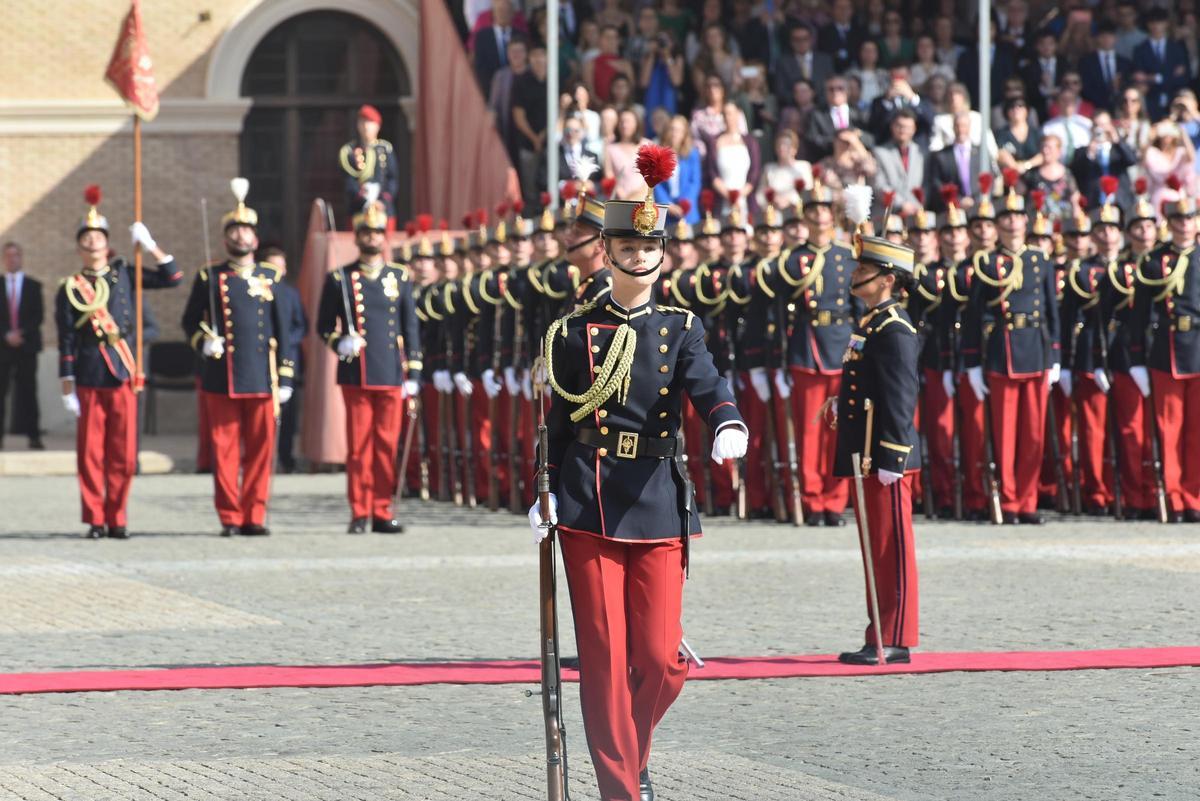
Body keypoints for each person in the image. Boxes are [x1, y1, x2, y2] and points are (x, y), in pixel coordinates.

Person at [529, 143, 748, 801]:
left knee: (658, 660)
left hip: (656, 497)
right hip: (588, 502)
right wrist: (541, 489)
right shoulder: (572, 332)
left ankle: (633, 748)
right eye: (628, 246)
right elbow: (557, 422)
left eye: (650, 248)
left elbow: (707, 383)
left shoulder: (681, 327)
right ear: (610, 250)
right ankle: (622, 789)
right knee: (603, 660)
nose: (640, 257)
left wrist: (727, 421)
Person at [57, 185, 182, 538]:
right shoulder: (70, 286)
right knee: (91, 454)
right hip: (88, 374)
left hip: (125, 371)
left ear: (107, 242)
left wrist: (150, 245)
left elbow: (173, 278)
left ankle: (118, 516)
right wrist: (67, 384)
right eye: (87, 237)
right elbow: (66, 337)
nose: (93, 242)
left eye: (98, 236)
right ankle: (95, 518)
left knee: (124, 454)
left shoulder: (125, 272)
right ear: (80, 245)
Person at [181, 179, 297, 537]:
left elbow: (284, 331)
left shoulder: (270, 277)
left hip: (263, 376)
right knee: (225, 451)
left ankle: (255, 514)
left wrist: (287, 377)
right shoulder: (209, 277)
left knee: (261, 454)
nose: (241, 236)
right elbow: (190, 321)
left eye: (246, 230)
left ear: (256, 239)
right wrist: (204, 341)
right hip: (223, 375)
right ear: (226, 238)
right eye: (235, 230)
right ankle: (230, 516)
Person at [832, 216, 921, 665]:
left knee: (892, 551)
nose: (853, 275)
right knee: (876, 550)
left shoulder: (894, 329)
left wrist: (893, 455)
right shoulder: (872, 323)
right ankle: (879, 633)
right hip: (867, 452)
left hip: (884, 454)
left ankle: (897, 636)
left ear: (887, 279)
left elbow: (901, 398)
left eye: (862, 269)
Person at [962, 176, 1061, 524]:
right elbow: (975, 316)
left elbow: (1051, 310)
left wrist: (1056, 355)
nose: (1012, 222)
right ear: (998, 224)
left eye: (1018, 216)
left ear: (1026, 220)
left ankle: (1028, 501)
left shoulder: (1039, 260)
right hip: (1001, 353)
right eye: (1005, 217)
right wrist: (972, 361)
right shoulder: (986, 263)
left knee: (1034, 434)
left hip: (1035, 348)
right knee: (1004, 435)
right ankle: (1008, 499)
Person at [317, 202, 421, 532]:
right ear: (358, 237)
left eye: (377, 232)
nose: (372, 238)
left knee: (386, 446)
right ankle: (359, 511)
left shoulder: (399, 277)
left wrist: (414, 373)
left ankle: (381, 509)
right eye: (366, 232)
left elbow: (410, 327)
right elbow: (322, 325)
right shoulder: (339, 278)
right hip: (357, 373)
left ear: (384, 237)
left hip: (390, 371)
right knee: (360, 448)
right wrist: (340, 343)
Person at [763, 174, 858, 525]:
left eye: (824, 210)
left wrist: (858, 350)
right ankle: (813, 499)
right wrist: (778, 360)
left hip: (842, 345)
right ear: (805, 218)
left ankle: (835, 500)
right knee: (808, 432)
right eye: (813, 211)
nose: (820, 217)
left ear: (833, 216)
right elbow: (777, 311)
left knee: (839, 430)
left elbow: (859, 310)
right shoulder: (792, 261)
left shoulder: (847, 256)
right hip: (807, 349)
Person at [1129, 196, 1200, 522]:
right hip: (1167, 350)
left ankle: (1194, 496)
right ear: (1169, 223)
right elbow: (1140, 315)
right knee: (1169, 430)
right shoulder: (1154, 261)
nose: (1185, 224)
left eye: (1190, 218)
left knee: (1196, 432)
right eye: (1179, 219)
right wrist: (1137, 359)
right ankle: (1173, 497)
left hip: (1198, 346)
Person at [259, 244, 308, 474]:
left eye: (281, 266)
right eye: (273, 266)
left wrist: (287, 341)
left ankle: (286, 457)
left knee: (287, 414)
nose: (278, 270)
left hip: (288, 360)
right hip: (262, 358)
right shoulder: (257, 290)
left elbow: (302, 325)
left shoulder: (291, 293)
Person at [1, 242, 43, 450]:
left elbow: (38, 316)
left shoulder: (33, 286)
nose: (12, 259)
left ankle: (34, 436)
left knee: (28, 392)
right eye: (8, 256)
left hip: (27, 347)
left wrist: (20, 333)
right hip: (3, 348)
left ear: (21, 257)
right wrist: (6, 334)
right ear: (3, 259)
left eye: (16, 255)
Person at [338, 105, 400, 228]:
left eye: (370, 123)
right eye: (363, 122)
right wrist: (365, 202)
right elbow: (349, 180)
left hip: (383, 211)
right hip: (359, 209)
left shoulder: (385, 150)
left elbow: (392, 179)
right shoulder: (350, 151)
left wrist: (382, 201)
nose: (366, 127)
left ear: (378, 126)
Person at [1132, 9, 1191, 121]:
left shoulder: (1177, 48)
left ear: (1166, 24)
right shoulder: (1140, 50)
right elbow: (1140, 80)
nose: (1156, 26)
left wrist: (1155, 78)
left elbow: (1184, 78)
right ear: (1148, 25)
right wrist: (1170, 75)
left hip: (1174, 101)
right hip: (1150, 103)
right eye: (1153, 22)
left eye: (1159, 22)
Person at [1070, 111, 1136, 209]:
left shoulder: (1118, 149)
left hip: (1121, 203)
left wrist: (1117, 140)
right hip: (1095, 205)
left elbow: (1132, 160)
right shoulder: (1082, 152)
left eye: (1104, 125)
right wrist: (1090, 152)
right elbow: (1078, 172)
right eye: (1097, 125)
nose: (1100, 129)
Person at [707, 102, 761, 219]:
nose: (728, 117)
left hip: (745, 197)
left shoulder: (750, 141)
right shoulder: (714, 141)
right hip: (723, 197)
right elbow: (712, 173)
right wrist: (729, 196)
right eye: (725, 114)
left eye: (731, 113)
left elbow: (755, 172)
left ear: (738, 114)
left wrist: (739, 196)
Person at [512, 45, 549, 207]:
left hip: (550, 144)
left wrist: (545, 134)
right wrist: (535, 138)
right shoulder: (521, 82)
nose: (539, 60)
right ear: (529, 59)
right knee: (530, 188)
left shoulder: (554, 80)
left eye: (542, 55)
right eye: (535, 55)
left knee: (549, 184)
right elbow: (518, 116)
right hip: (528, 143)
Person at [872, 109, 925, 217]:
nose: (903, 130)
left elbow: (926, 184)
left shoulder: (922, 153)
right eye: (899, 126)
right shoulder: (879, 153)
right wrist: (902, 204)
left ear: (914, 129)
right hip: (889, 214)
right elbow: (879, 185)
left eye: (907, 127)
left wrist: (917, 204)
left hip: (916, 213)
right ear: (892, 127)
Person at [805, 76, 868, 163]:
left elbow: (872, 138)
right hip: (829, 163)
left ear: (848, 91)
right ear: (825, 92)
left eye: (840, 88)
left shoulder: (860, 113)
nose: (835, 92)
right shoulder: (816, 114)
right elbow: (812, 140)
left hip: (858, 162)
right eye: (831, 89)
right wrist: (837, 141)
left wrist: (855, 137)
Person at [655, 114, 702, 225]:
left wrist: (685, 204)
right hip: (667, 213)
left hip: (688, 212)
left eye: (679, 130)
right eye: (672, 129)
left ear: (684, 134)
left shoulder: (692, 154)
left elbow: (695, 182)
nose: (675, 134)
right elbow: (656, 184)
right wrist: (667, 204)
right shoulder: (659, 155)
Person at [1021, 135, 1078, 220]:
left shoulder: (1067, 174)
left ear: (1059, 151)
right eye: (1043, 147)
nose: (1045, 151)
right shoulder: (1032, 174)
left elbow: (1075, 198)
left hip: (1062, 221)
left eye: (1049, 148)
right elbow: (1019, 195)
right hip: (1037, 223)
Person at [774, 24, 833, 108]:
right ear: (791, 42)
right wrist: (800, 100)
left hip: (822, 108)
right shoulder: (783, 62)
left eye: (805, 39)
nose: (801, 43)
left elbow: (830, 85)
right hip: (794, 109)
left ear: (811, 40)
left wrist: (814, 103)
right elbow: (781, 91)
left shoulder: (824, 60)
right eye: (797, 39)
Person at [1144, 120, 1197, 210]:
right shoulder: (1153, 153)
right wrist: (1150, 138)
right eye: (1164, 134)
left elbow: (1191, 158)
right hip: (1160, 197)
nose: (1167, 138)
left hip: (1181, 197)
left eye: (1169, 133)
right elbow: (1144, 160)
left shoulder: (1180, 152)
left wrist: (1183, 134)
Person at [1081, 21, 1133, 113]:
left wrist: (1117, 90)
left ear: (1115, 38)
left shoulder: (1125, 62)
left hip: (1121, 109)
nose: (1106, 39)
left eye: (1110, 36)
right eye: (1103, 36)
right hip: (1095, 108)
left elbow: (1129, 85)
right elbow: (1086, 88)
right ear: (1097, 38)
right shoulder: (1087, 62)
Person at [756, 129, 812, 211]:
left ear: (794, 149)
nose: (782, 148)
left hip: (797, 211)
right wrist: (771, 202)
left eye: (786, 145)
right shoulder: (768, 169)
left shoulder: (804, 167)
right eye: (779, 145)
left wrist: (790, 201)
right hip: (775, 213)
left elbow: (808, 191)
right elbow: (760, 194)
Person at [604, 109, 651, 200]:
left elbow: (651, 175)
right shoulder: (611, 148)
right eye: (622, 122)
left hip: (643, 200)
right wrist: (623, 196)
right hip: (620, 199)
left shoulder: (647, 145)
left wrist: (639, 194)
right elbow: (609, 175)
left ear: (637, 123)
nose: (625, 125)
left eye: (628, 121)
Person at [995, 97, 1043, 173]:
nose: (1016, 109)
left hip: (1036, 177)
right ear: (1007, 111)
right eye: (1012, 106)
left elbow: (1043, 155)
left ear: (1027, 110)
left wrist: (1026, 165)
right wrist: (1015, 167)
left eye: (1020, 106)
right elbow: (1000, 153)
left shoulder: (1036, 133)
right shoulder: (1001, 134)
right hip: (1010, 177)